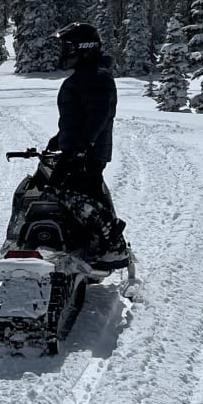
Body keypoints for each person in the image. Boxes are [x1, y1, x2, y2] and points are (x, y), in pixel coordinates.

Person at [48, 21, 127, 262]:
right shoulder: (87, 76)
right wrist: (59, 140)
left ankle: (111, 243)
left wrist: (83, 145)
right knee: (73, 190)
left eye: (68, 47)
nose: (64, 52)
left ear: (83, 47)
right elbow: (79, 116)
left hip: (88, 152)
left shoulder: (95, 76)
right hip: (80, 148)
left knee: (64, 193)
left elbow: (98, 115)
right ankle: (87, 241)